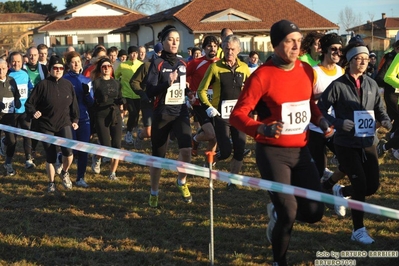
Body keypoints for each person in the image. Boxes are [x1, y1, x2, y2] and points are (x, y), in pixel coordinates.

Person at [230, 20, 328, 265]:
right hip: (272, 153)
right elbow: (237, 116)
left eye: (299, 40)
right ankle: (279, 261)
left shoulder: (307, 70)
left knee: (315, 213)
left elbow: (308, 103)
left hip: (301, 151)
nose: (296, 46)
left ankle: (275, 211)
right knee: (289, 213)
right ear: (276, 44)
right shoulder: (261, 76)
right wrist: (262, 127)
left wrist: (321, 119)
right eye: (289, 41)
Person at [318, 41, 391, 244]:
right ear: (349, 61)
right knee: (360, 185)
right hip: (346, 143)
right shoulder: (338, 85)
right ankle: (358, 230)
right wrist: (339, 123)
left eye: (366, 59)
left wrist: (384, 120)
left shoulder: (372, 84)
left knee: (372, 186)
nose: (362, 62)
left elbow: (380, 107)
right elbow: (321, 109)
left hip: (368, 141)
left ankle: (339, 191)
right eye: (358, 58)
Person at [145, 25, 192, 208]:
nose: (174, 42)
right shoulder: (156, 63)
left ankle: (181, 181)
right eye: (170, 39)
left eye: (177, 40)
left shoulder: (183, 63)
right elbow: (149, 91)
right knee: (158, 158)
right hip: (162, 114)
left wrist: (188, 91)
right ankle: (154, 192)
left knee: (187, 150)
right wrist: (167, 83)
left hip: (180, 112)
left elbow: (180, 87)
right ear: (163, 42)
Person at [197, 34, 251, 190]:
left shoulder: (244, 67)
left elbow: (252, 89)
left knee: (240, 150)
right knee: (226, 151)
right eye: (226, 49)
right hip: (221, 115)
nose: (229, 52)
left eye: (233, 49)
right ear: (222, 49)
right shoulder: (215, 67)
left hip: (239, 116)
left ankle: (232, 181)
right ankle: (211, 160)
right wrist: (209, 107)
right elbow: (201, 90)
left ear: (239, 50)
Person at [25, 55, 80, 192]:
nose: (58, 70)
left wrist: (75, 120)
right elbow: (29, 103)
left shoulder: (67, 85)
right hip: (46, 125)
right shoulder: (42, 85)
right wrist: (34, 112)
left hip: (64, 122)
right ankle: (51, 183)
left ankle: (65, 172)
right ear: (49, 70)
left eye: (61, 68)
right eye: (55, 68)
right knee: (50, 155)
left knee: (68, 152)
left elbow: (74, 105)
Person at [91, 57, 125, 180]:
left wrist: (122, 106)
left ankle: (112, 173)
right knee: (106, 146)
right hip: (101, 115)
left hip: (115, 114)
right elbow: (91, 99)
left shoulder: (116, 82)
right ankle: (97, 156)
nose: (106, 69)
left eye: (108, 66)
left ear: (111, 68)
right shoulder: (96, 82)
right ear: (100, 69)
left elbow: (120, 97)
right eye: (104, 67)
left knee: (117, 145)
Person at [63, 51, 94, 187]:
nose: (76, 64)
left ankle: (80, 177)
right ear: (68, 64)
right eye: (73, 62)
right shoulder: (64, 80)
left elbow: (91, 102)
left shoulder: (86, 80)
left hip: (84, 117)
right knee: (72, 149)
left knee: (84, 149)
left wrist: (87, 94)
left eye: (78, 62)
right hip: (68, 119)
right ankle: (64, 168)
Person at [186, 35, 219, 158]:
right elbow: (182, 76)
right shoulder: (196, 63)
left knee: (214, 136)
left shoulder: (220, 62)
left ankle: (208, 164)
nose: (212, 49)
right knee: (211, 134)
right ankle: (195, 139)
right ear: (204, 48)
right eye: (209, 46)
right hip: (199, 103)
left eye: (215, 46)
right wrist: (187, 91)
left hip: (215, 104)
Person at [3, 52, 35, 172]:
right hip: (10, 112)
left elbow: (30, 88)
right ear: (9, 63)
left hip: (23, 111)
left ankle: (28, 159)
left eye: (19, 61)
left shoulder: (25, 73)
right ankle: (8, 161)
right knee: (12, 139)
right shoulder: (8, 74)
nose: (16, 64)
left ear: (23, 62)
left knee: (27, 134)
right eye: (13, 61)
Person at [129, 42, 163, 149]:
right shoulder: (147, 66)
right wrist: (142, 94)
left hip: (162, 102)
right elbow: (134, 81)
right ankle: (140, 135)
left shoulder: (169, 66)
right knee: (148, 131)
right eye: (160, 52)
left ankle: (155, 144)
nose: (161, 55)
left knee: (159, 128)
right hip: (148, 101)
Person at [114, 46, 143, 145]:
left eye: (135, 53)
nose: (133, 55)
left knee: (136, 114)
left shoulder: (141, 64)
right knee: (133, 112)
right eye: (131, 53)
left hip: (138, 94)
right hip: (127, 94)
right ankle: (129, 132)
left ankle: (133, 128)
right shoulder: (123, 65)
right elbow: (116, 75)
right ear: (128, 55)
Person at [0, 59, 21, 175]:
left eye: (3, 68)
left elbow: (16, 94)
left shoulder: (11, 80)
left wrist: (17, 101)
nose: (1, 71)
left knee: (12, 141)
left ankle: (8, 163)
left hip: (9, 116)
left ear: (7, 68)